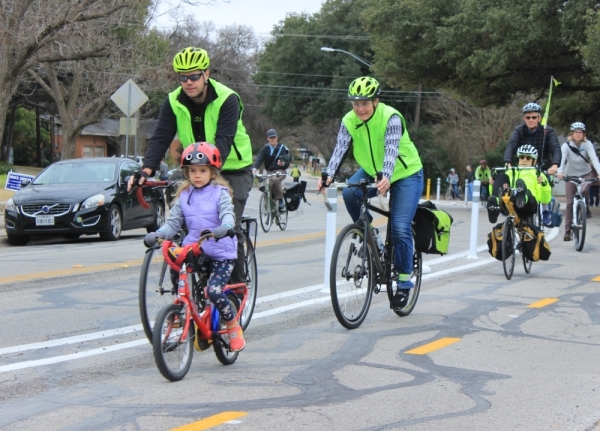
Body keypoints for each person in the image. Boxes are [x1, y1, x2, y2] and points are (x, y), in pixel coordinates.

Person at [128, 47, 253, 285]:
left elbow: (223, 141)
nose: (188, 82)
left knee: (228, 227)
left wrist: (210, 175)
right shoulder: (173, 100)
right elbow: (161, 136)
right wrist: (146, 170)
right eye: (182, 77)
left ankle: (235, 290)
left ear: (206, 74)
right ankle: (189, 284)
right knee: (185, 215)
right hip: (196, 167)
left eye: (194, 76)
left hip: (232, 167)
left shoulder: (227, 98)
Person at [318, 76, 423, 309]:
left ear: (376, 101)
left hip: (405, 173)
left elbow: (391, 149)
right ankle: (370, 234)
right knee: (349, 194)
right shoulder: (349, 120)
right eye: (355, 103)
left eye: (365, 103)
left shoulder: (391, 117)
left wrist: (386, 176)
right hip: (372, 169)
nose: (360, 108)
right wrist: (329, 175)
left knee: (399, 227)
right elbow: (340, 148)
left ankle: (405, 283)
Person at [143, 143, 245, 351]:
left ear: (212, 171)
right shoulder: (184, 195)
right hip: (195, 248)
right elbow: (174, 223)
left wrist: (225, 227)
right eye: (192, 171)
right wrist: (160, 234)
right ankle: (182, 309)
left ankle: (232, 325)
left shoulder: (220, 193)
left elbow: (227, 214)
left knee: (214, 291)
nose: (197, 175)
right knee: (175, 263)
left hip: (220, 252)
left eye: (202, 170)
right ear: (186, 172)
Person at [504, 102, 561, 224]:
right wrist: (507, 162)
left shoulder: (548, 131)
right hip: (524, 164)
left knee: (543, 185)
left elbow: (555, 149)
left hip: (543, 164)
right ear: (524, 118)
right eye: (528, 117)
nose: (531, 120)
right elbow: (511, 146)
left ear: (539, 118)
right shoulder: (519, 130)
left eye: (534, 117)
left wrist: (555, 165)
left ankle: (545, 210)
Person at [557, 122, 600, 240]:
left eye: (580, 132)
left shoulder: (588, 144)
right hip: (570, 175)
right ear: (572, 133)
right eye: (576, 132)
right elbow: (562, 159)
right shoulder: (566, 146)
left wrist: (599, 172)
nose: (578, 134)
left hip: (585, 173)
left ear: (583, 134)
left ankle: (586, 207)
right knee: (569, 203)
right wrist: (559, 172)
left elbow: (594, 158)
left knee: (585, 189)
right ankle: (567, 232)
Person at [487, 145, 551, 224]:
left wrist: (543, 184)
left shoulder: (537, 174)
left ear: (534, 161)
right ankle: (495, 205)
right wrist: (492, 184)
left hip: (529, 205)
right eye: (521, 157)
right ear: (518, 159)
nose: (524, 160)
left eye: (528, 158)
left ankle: (522, 196)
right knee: (501, 176)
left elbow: (545, 199)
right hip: (509, 204)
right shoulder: (510, 172)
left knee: (523, 189)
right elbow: (493, 191)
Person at [252, 129, 290, 211]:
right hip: (269, 171)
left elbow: (287, 162)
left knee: (275, 180)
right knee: (266, 186)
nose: (272, 139)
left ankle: (280, 200)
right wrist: (254, 169)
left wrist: (282, 164)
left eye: (274, 137)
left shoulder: (283, 148)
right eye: (271, 137)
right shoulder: (265, 148)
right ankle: (268, 208)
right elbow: (259, 159)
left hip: (280, 171)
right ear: (268, 139)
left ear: (277, 138)